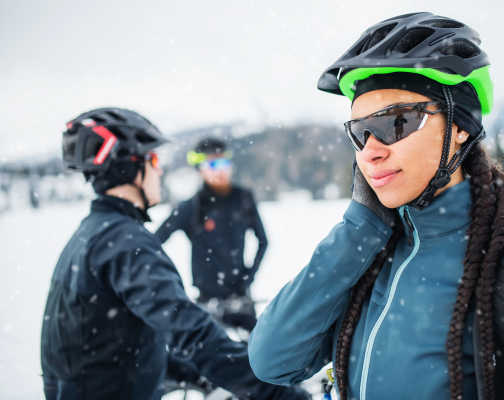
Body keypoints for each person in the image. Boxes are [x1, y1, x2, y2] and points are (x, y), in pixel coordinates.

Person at [248, 13, 504, 400]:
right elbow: (272, 359)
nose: (370, 151)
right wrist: (361, 226)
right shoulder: (370, 257)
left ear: (459, 126)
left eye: (395, 123)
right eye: (359, 132)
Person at [40, 108, 308, 400]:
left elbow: (120, 349)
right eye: (153, 159)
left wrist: (193, 373)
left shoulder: (92, 234)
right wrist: (285, 396)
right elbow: (196, 337)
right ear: (130, 168)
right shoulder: (127, 243)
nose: (160, 170)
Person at [155, 138, 267, 332]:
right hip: (206, 304)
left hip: (240, 299)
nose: (221, 170)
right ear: (200, 168)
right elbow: (154, 243)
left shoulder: (243, 198)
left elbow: (263, 241)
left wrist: (248, 278)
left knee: (256, 355)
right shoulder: (192, 206)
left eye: (225, 162)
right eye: (213, 164)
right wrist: (171, 287)